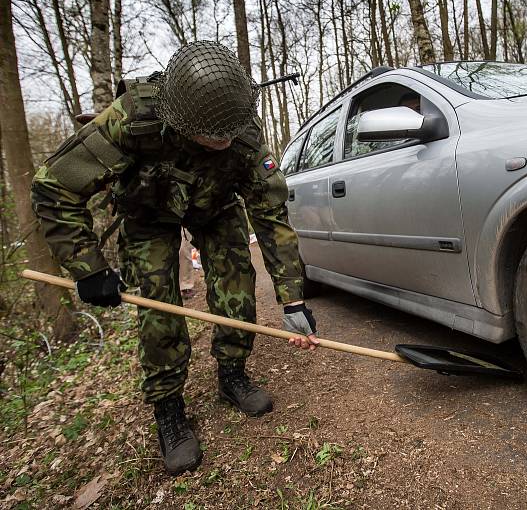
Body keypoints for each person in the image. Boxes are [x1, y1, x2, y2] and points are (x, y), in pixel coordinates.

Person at [31, 41, 320, 475]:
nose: (225, 140)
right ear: (182, 121)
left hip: (217, 209)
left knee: (237, 290)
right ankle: (168, 409)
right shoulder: (133, 118)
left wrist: (292, 297)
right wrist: (88, 267)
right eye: (213, 134)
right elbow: (53, 187)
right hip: (148, 216)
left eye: (231, 131)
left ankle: (232, 373)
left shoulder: (243, 129)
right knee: (158, 308)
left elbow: (270, 213)